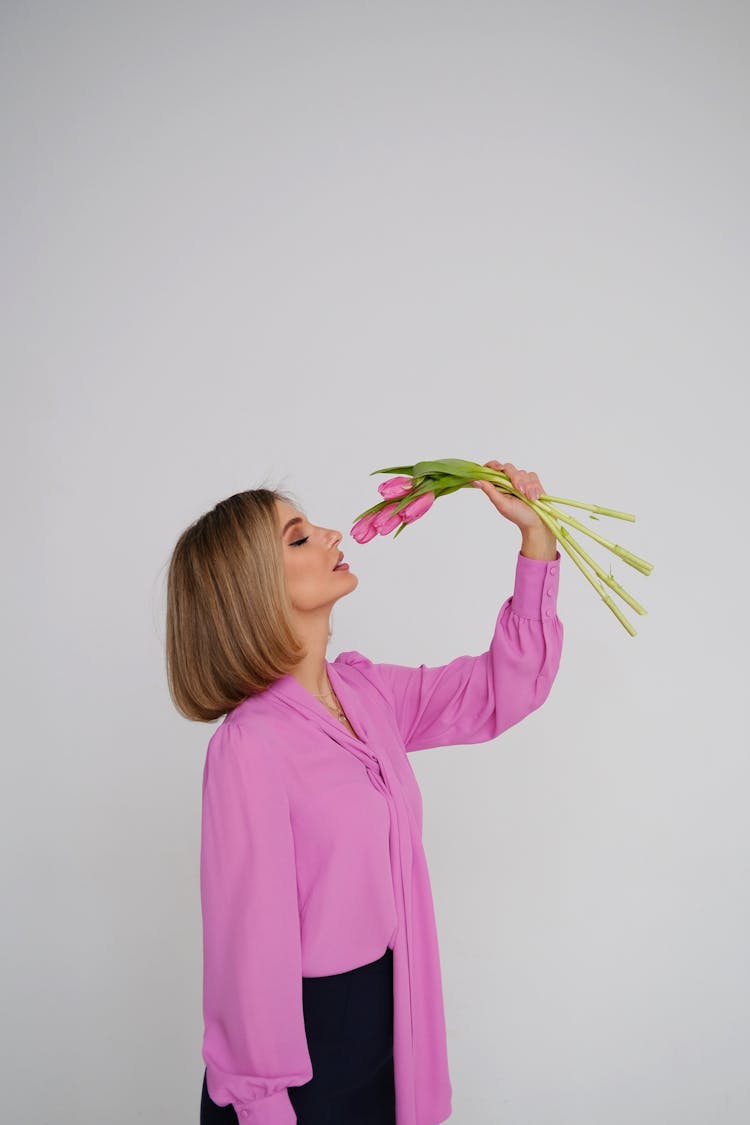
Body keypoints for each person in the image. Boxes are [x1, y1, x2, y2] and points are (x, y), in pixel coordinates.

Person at [165, 459, 563, 1125]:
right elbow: (248, 955)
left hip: (389, 1030)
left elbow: (502, 689)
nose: (327, 533)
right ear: (251, 589)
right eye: (297, 537)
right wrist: (265, 1107)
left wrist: (537, 539)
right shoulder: (250, 745)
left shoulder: (367, 693)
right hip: (303, 1056)